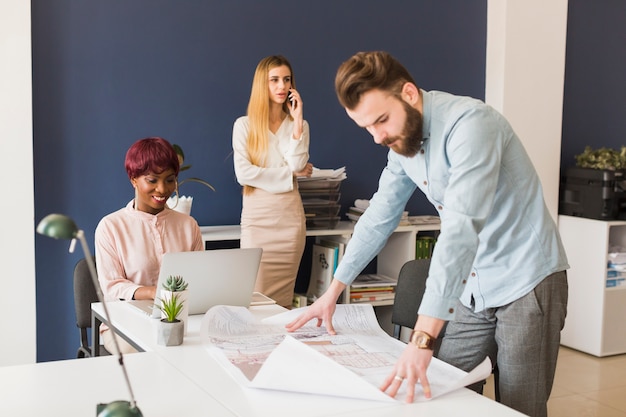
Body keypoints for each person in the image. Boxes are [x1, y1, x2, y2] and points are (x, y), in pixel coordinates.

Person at [286, 51, 569, 417]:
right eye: (367, 127)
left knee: (518, 406)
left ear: (408, 93)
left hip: (527, 280)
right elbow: (378, 217)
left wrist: (421, 338)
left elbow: (461, 230)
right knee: (443, 388)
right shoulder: (401, 145)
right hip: (472, 285)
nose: (377, 137)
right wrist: (332, 292)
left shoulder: (471, 126)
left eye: (382, 121)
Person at [95, 137, 204, 354]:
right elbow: (112, 286)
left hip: (181, 318)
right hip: (125, 322)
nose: (162, 189)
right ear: (133, 179)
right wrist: (153, 292)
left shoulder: (188, 225)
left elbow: (201, 278)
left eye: (169, 179)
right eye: (152, 180)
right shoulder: (111, 226)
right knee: (144, 352)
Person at [232, 55, 313, 309]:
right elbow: (244, 174)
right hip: (258, 223)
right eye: (275, 80)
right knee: (255, 301)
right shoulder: (244, 126)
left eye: (286, 80)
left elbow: (299, 164)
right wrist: (289, 175)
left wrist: (298, 120)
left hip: (290, 224)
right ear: (262, 84)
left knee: (283, 302)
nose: (282, 86)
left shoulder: (299, 126)